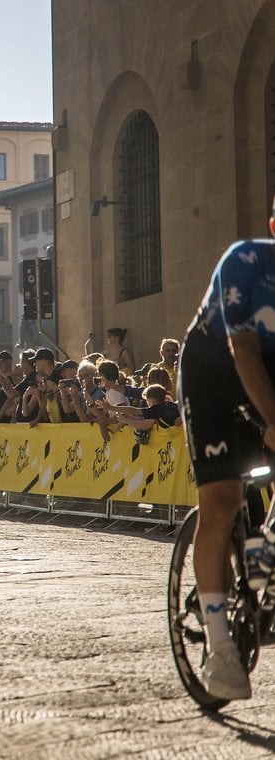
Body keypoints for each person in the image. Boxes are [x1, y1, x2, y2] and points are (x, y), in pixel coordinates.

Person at [179, 198, 275, 701]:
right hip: (213, 368)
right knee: (222, 500)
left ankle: (263, 552)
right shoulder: (246, 259)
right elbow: (242, 350)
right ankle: (220, 649)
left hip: (269, 366)